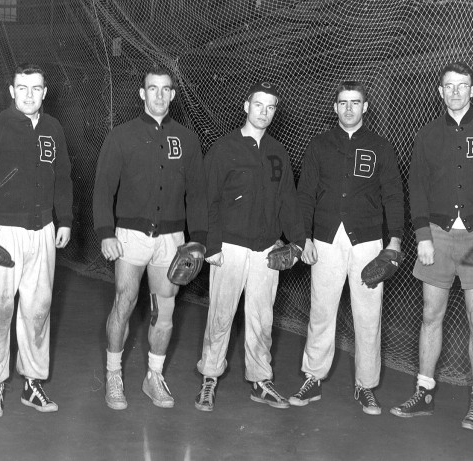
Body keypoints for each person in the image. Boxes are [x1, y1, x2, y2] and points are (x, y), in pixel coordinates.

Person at [390, 62, 473, 432]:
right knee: (431, 314)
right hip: (438, 235)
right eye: (449, 86)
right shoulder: (427, 134)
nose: (456, 92)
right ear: (440, 91)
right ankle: (424, 392)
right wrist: (423, 237)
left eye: (463, 86)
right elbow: (416, 187)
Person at [0, 63, 73, 418]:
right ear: (11, 91)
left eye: (35, 88)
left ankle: (33, 383)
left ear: (45, 92)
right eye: (22, 87)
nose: (28, 94)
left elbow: (64, 178)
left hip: (43, 231)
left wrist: (64, 219)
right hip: (1, 233)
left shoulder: (53, 129)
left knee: (38, 309)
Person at [93, 66, 207, 410]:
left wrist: (198, 240)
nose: (159, 95)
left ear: (173, 94)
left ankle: (153, 376)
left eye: (165, 89)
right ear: (142, 94)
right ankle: (114, 374)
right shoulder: (121, 135)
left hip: (171, 239)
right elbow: (102, 189)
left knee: (165, 310)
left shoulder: (187, 139)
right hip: (131, 236)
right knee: (124, 303)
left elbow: (197, 194)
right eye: (152, 88)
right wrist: (104, 232)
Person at [288, 81, 404, 415]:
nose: (349, 108)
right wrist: (303, 237)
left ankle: (365, 385)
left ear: (365, 107)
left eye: (355, 102)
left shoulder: (381, 146)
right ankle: (313, 377)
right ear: (335, 107)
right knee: (321, 311)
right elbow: (305, 193)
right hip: (325, 239)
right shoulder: (319, 145)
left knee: (368, 314)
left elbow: (393, 196)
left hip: (368, 241)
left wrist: (394, 240)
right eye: (343, 102)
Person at [194, 82, 306, 412]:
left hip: (266, 250)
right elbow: (207, 198)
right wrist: (210, 243)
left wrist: (297, 242)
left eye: (271, 107)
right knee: (220, 315)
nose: (264, 112)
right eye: (259, 105)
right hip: (228, 247)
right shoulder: (223, 147)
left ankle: (260, 380)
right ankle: (209, 378)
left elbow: (288, 199)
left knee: (262, 318)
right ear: (246, 106)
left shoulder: (278, 151)